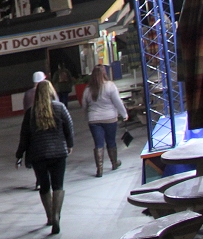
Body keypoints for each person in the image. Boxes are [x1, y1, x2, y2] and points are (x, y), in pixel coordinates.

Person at [16, 79, 74, 234]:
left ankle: (49, 216)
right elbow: (69, 127)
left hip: (38, 155)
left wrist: (19, 154)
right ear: (51, 92)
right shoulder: (60, 108)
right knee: (58, 186)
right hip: (58, 153)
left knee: (44, 186)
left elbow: (24, 136)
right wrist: (69, 144)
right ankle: (56, 215)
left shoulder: (30, 113)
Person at [81, 64, 128, 176]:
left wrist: (87, 117)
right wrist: (124, 114)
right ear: (104, 74)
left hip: (94, 120)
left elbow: (84, 105)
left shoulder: (87, 90)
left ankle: (100, 169)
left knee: (98, 144)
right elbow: (117, 102)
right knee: (111, 141)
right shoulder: (110, 86)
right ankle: (114, 163)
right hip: (110, 118)